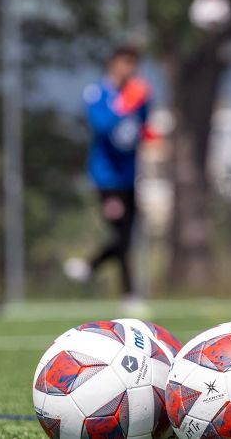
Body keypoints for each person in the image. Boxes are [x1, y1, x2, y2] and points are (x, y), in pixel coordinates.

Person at [64, 46, 155, 314]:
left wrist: (143, 106)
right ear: (114, 64)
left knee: (127, 235)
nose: (131, 70)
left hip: (129, 177)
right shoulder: (97, 93)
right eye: (126, 63)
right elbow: (104, 128)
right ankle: (128, 293)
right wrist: (126, 104)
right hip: (106, 178)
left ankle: (90, 267)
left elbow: (142, 127)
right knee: (120, 234)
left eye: (134, 64)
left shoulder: (137, 93)